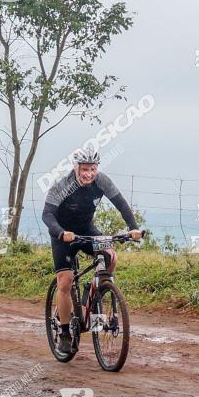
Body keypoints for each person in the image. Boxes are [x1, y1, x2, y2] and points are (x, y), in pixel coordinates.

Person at [42, 143, 142, 353]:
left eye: (92, 168)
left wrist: (134, 228)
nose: (89, 174)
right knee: (66, 282)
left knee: (110, 256)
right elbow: (47, 214)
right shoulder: (63, 185)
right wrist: (61, 233)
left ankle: (95, 293)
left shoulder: (102, 181)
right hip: (64, 236)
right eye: (84, 169)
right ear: (75, 168)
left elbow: (121, 204)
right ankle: (65, 332)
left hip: (86, 230)